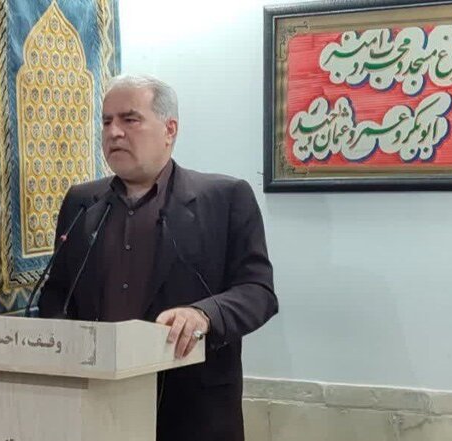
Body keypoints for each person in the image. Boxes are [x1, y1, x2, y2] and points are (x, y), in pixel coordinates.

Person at [38, 74, 278, 441]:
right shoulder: (81, 202)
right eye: (106, 121)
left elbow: (258, 292)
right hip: (97, 406)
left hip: (192, 410)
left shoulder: (225, 198)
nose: (114, 132)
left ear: (170, 129)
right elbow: (57, 293)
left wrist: (204, 315)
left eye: (129, 119)